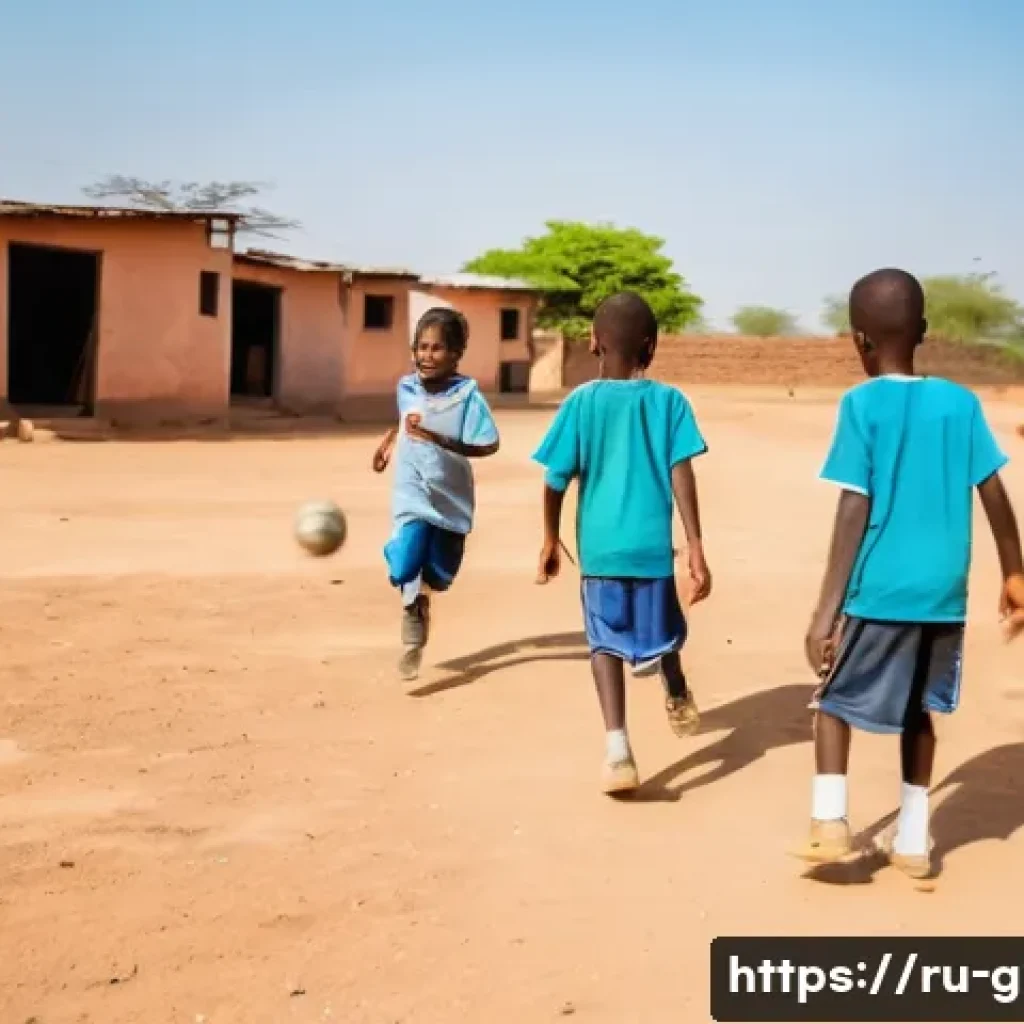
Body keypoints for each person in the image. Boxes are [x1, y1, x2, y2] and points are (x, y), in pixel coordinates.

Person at [797, 267, 1024, 879]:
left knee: (833, 702)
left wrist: (826, 611)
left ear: (858, 341)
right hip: (942, 593)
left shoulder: (861, 403)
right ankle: (915, 841)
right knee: (919, 711)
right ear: (922, 330)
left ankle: (828, 823)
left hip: (881, 588)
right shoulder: (960, 402)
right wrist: (1015, 574)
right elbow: (994, 491)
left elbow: (854, 505)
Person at [532, 292, 712, 795]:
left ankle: (618, 750)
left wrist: (550, 536)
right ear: (651, 347)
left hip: (602, 554)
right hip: (652, 550)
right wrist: (695, 544)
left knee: (603, 644)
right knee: (666, 632)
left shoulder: (581, 403)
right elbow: (682, 473)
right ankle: (673, 686)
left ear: (592, 342)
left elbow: (554, 478)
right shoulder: (669, 402)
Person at [372, 307, 499, 680]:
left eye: (437, 348)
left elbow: (489, 444)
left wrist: (438, 439)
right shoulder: (406, 386)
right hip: (412, 490)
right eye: (421, 348)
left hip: (451, 496)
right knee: (404, 562)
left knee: (441, 573)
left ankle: (422, 597)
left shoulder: (467, 397)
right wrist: (388, 443)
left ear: (457, 354)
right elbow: (407, 417)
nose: (427, 356)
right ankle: (411, 605)